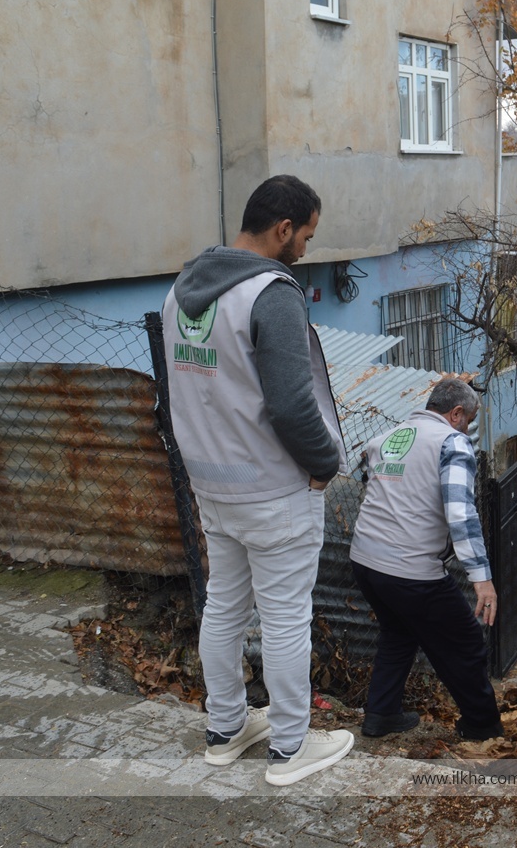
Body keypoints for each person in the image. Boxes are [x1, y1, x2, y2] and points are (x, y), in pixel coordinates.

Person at [162, 174, 354, 786]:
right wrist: (325, 465)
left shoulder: (181, 293)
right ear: (283, 229)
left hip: (212, 486)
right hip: (273, 491)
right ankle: (290, 749)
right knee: (285, 619)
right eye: (306, 236)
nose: (305, 249)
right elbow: (293, 407)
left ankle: (225, 731)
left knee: (222, 607)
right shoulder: (271, 293)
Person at [349, 378, 505, 741]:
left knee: (398, 632)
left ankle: (381, 714)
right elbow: (461, 511)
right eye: (468, 420)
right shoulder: (452, 442)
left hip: (365, 561)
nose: (468, 428)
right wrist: (482, 579)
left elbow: (365, 477)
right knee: (466, 641)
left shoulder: (389, 437)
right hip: (410, 569)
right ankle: (482, 727)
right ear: (455, 414)